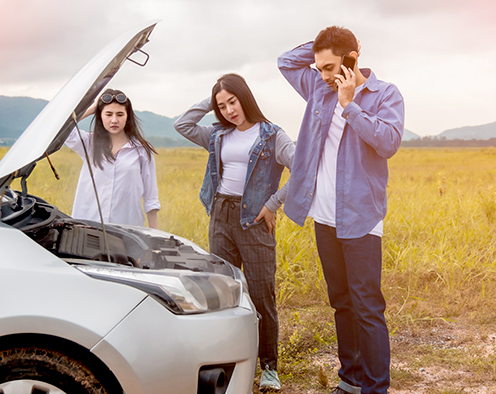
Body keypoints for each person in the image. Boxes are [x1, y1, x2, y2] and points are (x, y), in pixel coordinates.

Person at [278, 26, 404, 394]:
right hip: (325, 216)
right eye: (319, 68)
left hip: (362, 218)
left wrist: (351, 104)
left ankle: (375, 388)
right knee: (341, 303)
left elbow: (388, 143)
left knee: (367, 307)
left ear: (352, 60)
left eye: (330, 66)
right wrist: (326, 53)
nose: (323, 75)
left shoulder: (385, 94)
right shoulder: (318, 89)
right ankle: (350, 380)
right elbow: (286, 62)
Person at [173, 73, 295, 392]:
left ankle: (269, 367)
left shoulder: (272, 135)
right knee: (223, 292)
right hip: (221, 217)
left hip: (254, 221)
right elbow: (182, 125)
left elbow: (303, 169)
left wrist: (272, 204)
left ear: (245, 97)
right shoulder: (218, 135)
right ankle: (226, 362)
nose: (229, 110)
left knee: (260, 295)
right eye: (221, 105)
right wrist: (211, 96)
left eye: (232, 101)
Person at [66, 88, 160, 228]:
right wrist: (92, 108)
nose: (114, 120)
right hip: (87, 226)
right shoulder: (88, 143)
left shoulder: (142, 150)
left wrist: (155, 237)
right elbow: (62, 129)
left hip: (127, 229)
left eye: (120, 114)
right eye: (108, 114)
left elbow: (150, 199)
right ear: (100, 116)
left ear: (128, 116)